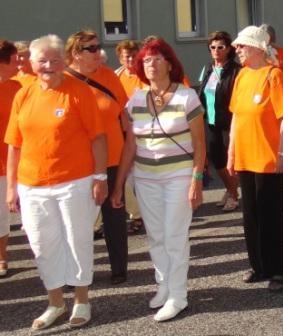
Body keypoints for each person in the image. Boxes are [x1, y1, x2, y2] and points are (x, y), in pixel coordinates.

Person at [5, 34, 107, 330]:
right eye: (42, 60)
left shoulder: (78, 92)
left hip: (74, 181)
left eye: (54, 59)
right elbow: (14, 145)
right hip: (32, 184)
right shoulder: (24, 94)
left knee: (76, 240)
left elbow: (98, 138)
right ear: (32, 63)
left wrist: (100, 177)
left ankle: (81, 301)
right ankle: (55, 303)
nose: (48, 65)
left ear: (64, 61)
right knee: (42, 244)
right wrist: (12, 187)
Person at [111, 38, 205, 322]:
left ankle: (178, 296)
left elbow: (200, 145)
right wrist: (118, 185)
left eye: (156, 59)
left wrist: (196, 180)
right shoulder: (137, 99)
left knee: (174, 236)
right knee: (156, 237)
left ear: (169, 63)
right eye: (146, 60)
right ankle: (163, 286)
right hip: (145, 177)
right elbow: (129, 145)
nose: (150, 64)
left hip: (178, 176)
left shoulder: (187, 97)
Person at [228, 25, 283, 291]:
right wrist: (231, 152)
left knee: (271, 215)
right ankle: (258, 266)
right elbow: (235, 117)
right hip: (246, 155)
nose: (237, 50)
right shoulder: (242, 76)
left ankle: (277, 270)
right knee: (251, 215)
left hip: (268, 157)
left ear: (257, 48)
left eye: (241, 46)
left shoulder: (274, 75)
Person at [65, 30, 129, 284]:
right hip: (79, 163)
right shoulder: (64, 80)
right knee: (77, 221)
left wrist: (131, 152)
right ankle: (76, 273)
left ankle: (119, 269)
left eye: (98, 46)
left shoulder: (109, 77)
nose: (98, 52)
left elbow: (123, 115)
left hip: (112, 157)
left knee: (114, 214)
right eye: (91, 48)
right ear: (75, 53)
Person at [198, 31, 240, 211]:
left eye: (220, 47)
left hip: (229, 122)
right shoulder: (208, 69)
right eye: (212, 47)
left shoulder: (236, 71)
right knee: (217, 161)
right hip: (211, 121)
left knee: (231, 161)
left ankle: (233, 194)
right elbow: (202, 93)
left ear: (228, 49)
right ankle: (231, 189)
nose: (216, 50)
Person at [114, 39, 144, 233]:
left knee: (140, 173)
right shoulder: (115, 76)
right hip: (122, 130)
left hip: (143, 129)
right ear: (120, 58)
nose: (131, 59)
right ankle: (136, 214)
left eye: (134, 55)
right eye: (127, 56)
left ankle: (141, 213)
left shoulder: (145, 76)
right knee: (126, 173)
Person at [0, 40, 20, 278]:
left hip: (13, 162)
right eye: (15, 61)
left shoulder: (17, 87)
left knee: (4, 214)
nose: (19, 64)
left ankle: (3, 257)